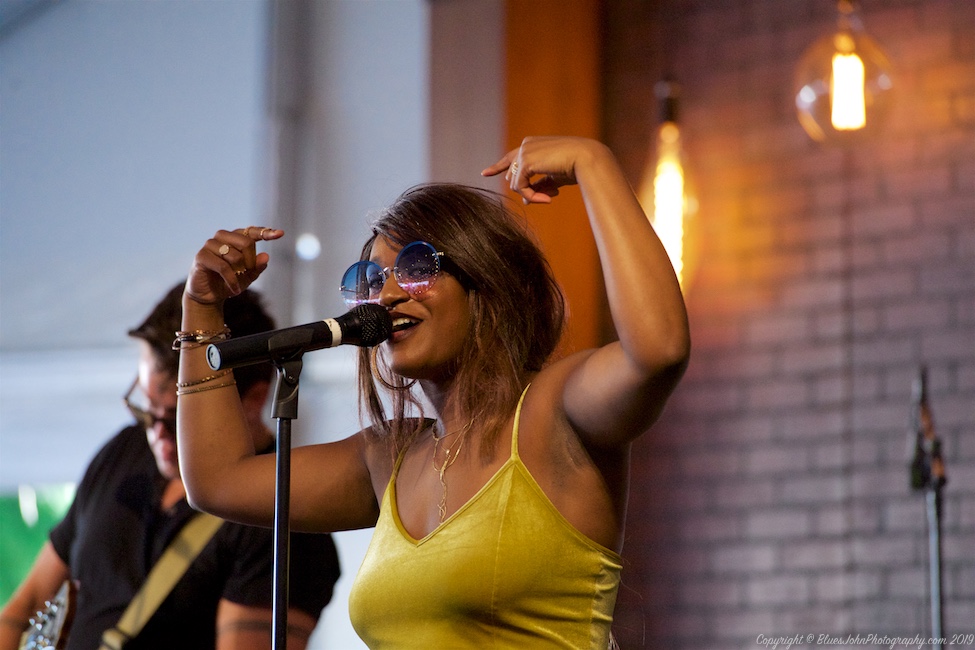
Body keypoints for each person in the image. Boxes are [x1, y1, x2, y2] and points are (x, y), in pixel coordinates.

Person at [174, 136, 691, 648]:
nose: (389, 294)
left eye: (418, 268)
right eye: (373, 279)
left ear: (486, 278)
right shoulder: (391, 455)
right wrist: (201, 307)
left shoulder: (552, 412)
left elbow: (658, 351)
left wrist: (594, 163)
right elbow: (217, 481)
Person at [0, 283, 341, 650]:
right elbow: (28, 605)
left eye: (178, 420)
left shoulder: (284, 518)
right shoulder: (125, 449)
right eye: (146, 410)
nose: (157, 435)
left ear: (255, 398)